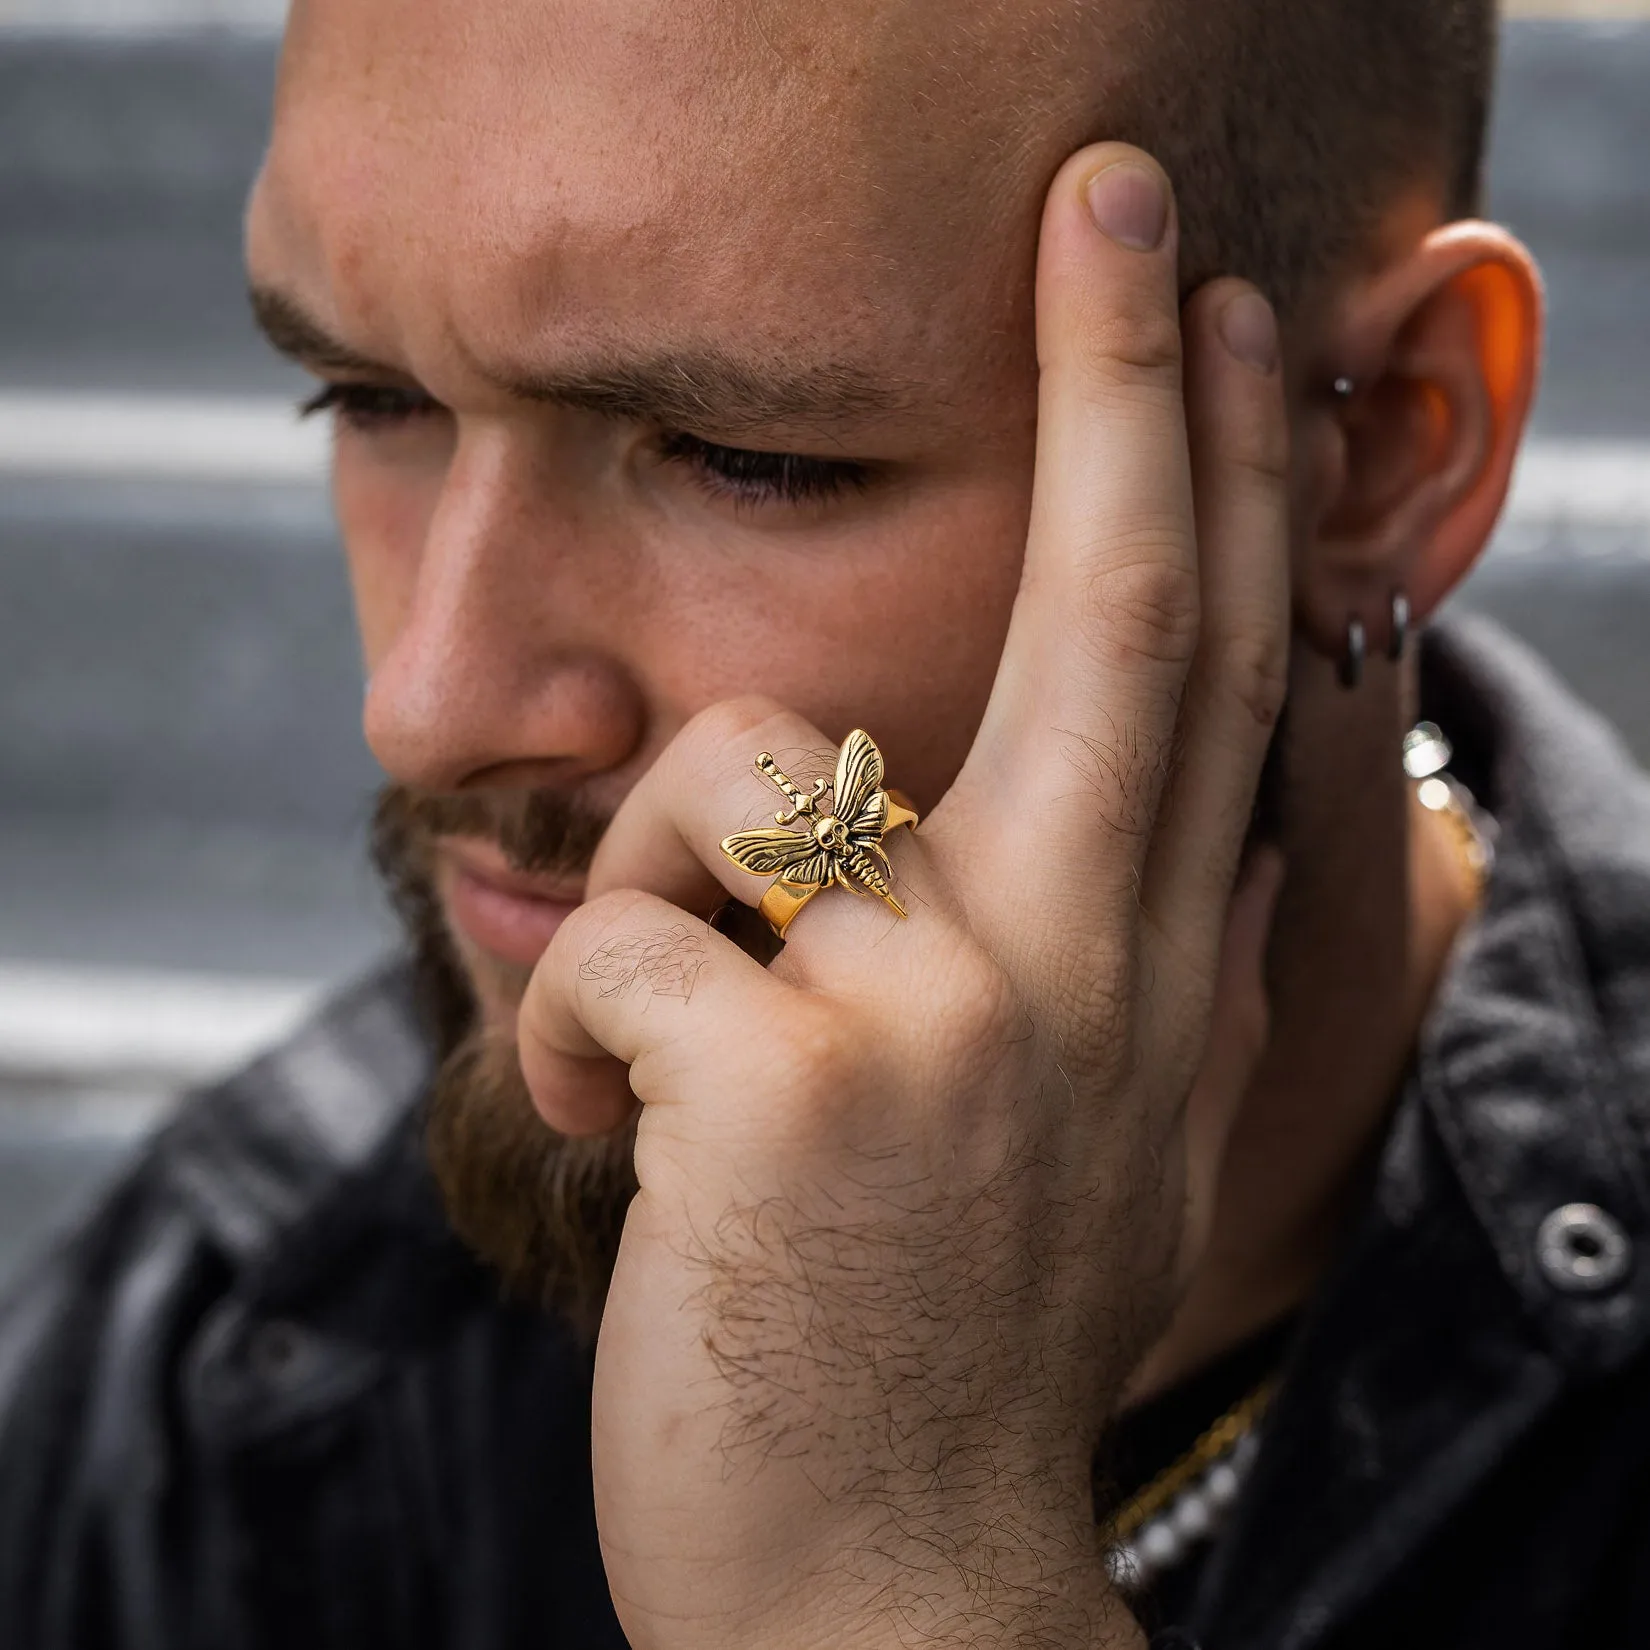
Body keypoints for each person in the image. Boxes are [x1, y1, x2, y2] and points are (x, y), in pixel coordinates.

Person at [4, 0, 1650, 1645]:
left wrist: (894, 1584)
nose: (429, 700)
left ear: (1377, 449)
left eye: (743, 456)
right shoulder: (222, 1360)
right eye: (368, 399)